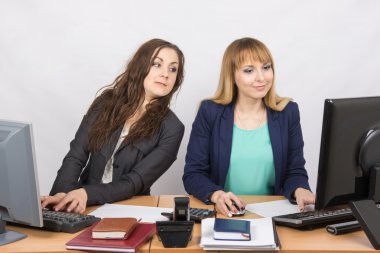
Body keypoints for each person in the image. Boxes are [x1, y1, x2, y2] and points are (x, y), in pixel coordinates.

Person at [41, 38, 185, 214]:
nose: (166, 74)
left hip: (130, 209)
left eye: (173, 69)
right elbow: (76, 155)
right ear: (140, 66)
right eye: (157, 64)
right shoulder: (105, 102)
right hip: (82, 205)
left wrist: (86, 193)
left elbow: (134, 182)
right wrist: (62, 194)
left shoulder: (173, 128)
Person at [183, 37, 315, 217]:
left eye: (266, 67)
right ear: (232, 76)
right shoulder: (210, 111)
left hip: (274, 214)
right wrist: (217, 195)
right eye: (249, 70)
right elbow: (193, 174)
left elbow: (295, 170)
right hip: (224, 213)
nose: (261, 77)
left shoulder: (287, 112)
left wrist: (300, 190)